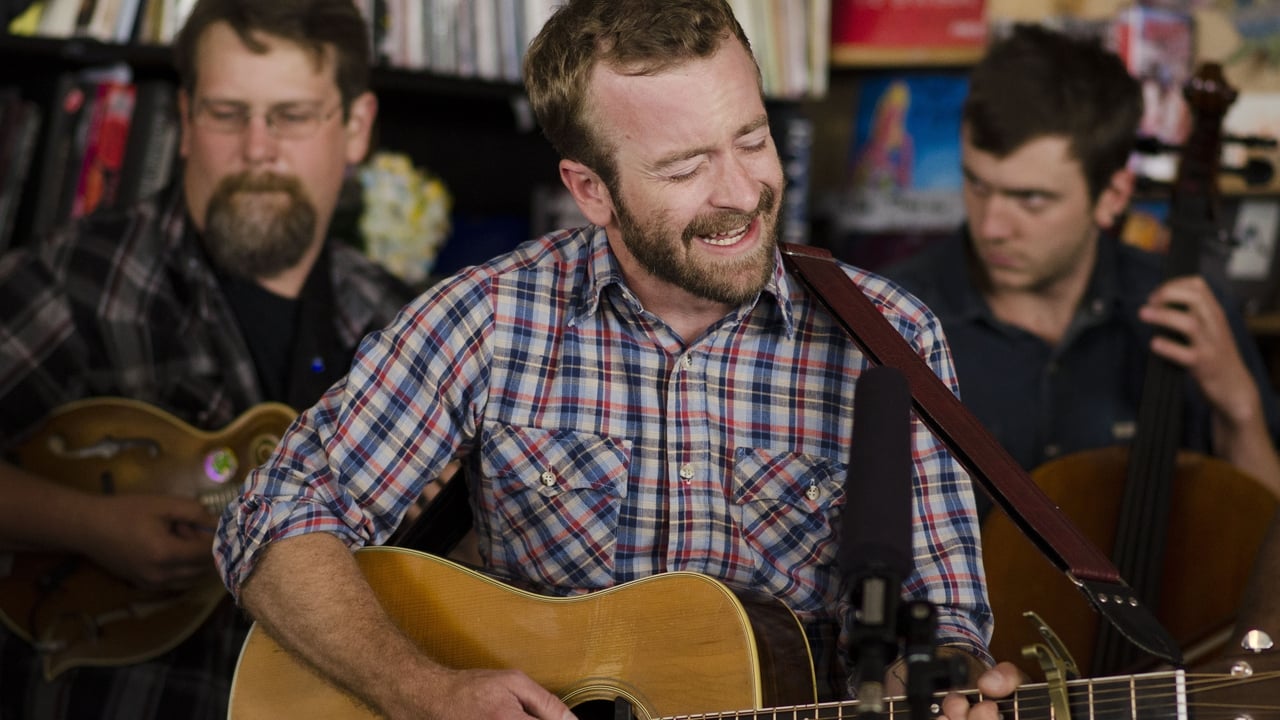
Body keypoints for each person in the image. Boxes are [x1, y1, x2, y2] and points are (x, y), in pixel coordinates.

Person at [213, 1, 1022, 718]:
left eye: (752, 139)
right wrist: (422, 692)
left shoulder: (890, 338)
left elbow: (943, 620)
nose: (740, 191)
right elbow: (270, 518)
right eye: (686, 166)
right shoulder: (490, 319)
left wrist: (951, 679)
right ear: (590, 189)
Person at [0, 0, 413, 717]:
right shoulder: (77, 282)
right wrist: (87, 525)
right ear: (186, 121)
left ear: (355, 129)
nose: (258, 148)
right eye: (228, 113)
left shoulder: (401, 325)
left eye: (290, 116)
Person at [881, 24, 1280, 508]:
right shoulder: (891, 318)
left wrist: (1240, 411)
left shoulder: (1191, 312)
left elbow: (1262, 549)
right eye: (977, 184)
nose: (991, 226)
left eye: (1030, 199)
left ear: (1112, 197)